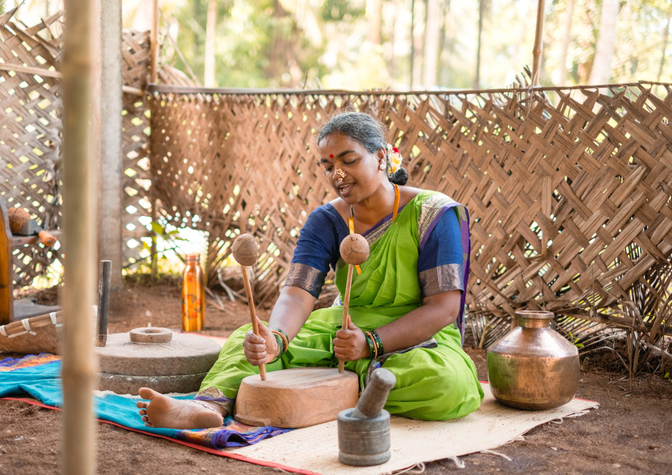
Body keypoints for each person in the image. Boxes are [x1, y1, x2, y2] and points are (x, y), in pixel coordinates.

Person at [137, 112, 484, 429]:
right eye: (328, 166)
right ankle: (207, 405)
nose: (338, 174)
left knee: (447, 383)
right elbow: (297, 293)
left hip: (418, 339)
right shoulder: (327, 219)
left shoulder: (433, 213)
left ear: (381, 157)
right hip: (344, 330)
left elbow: (443, 308)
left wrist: (372, 344)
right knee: (248, 339)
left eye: (349, 161)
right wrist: (276, 340)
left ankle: (331, 386)